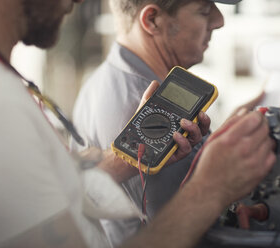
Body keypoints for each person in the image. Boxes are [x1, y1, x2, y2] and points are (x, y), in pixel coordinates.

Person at [0, 0, 275, 247]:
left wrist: (132, 152)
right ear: (151, 20)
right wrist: (210, 188)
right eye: (204, 9)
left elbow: (51, 193)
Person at [72, 0, 263, 245]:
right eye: (204, 10)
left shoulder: (101, 79)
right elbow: (191, 233)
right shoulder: (140, 106)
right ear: (152, 20)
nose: (219, 20)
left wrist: (224, 136)